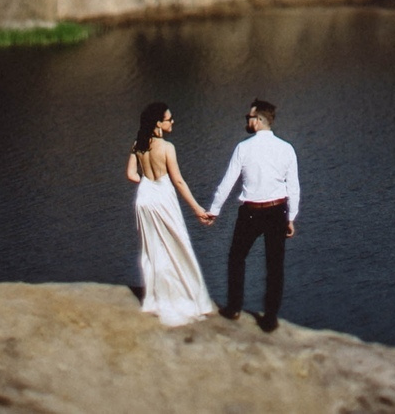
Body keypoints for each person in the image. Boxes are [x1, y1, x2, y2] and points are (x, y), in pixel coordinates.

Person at [205, 97, 299, 331]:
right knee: (274, 265)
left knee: (237, 257)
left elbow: (227, 182)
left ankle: (234, 308)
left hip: (251, 212)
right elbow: (294, 187)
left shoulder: (243, 148)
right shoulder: (286, 148)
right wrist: (291, 218)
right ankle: (269, 318)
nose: (247, 120)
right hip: (278, 211)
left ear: (257, 121)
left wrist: (214, 210)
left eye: (249, 117)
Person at [126, 101, 215, 325]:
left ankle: (157, 298)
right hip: (163, 198)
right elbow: (178, 181)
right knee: (178, 245)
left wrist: (146, 184)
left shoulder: (137, 144)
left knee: (153, 249)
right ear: (158, 123)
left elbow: (130, 174)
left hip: (145, 198)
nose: (172, 121)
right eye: (169, 119)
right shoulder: (167, 148)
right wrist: (197, 209)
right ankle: (185, 298)